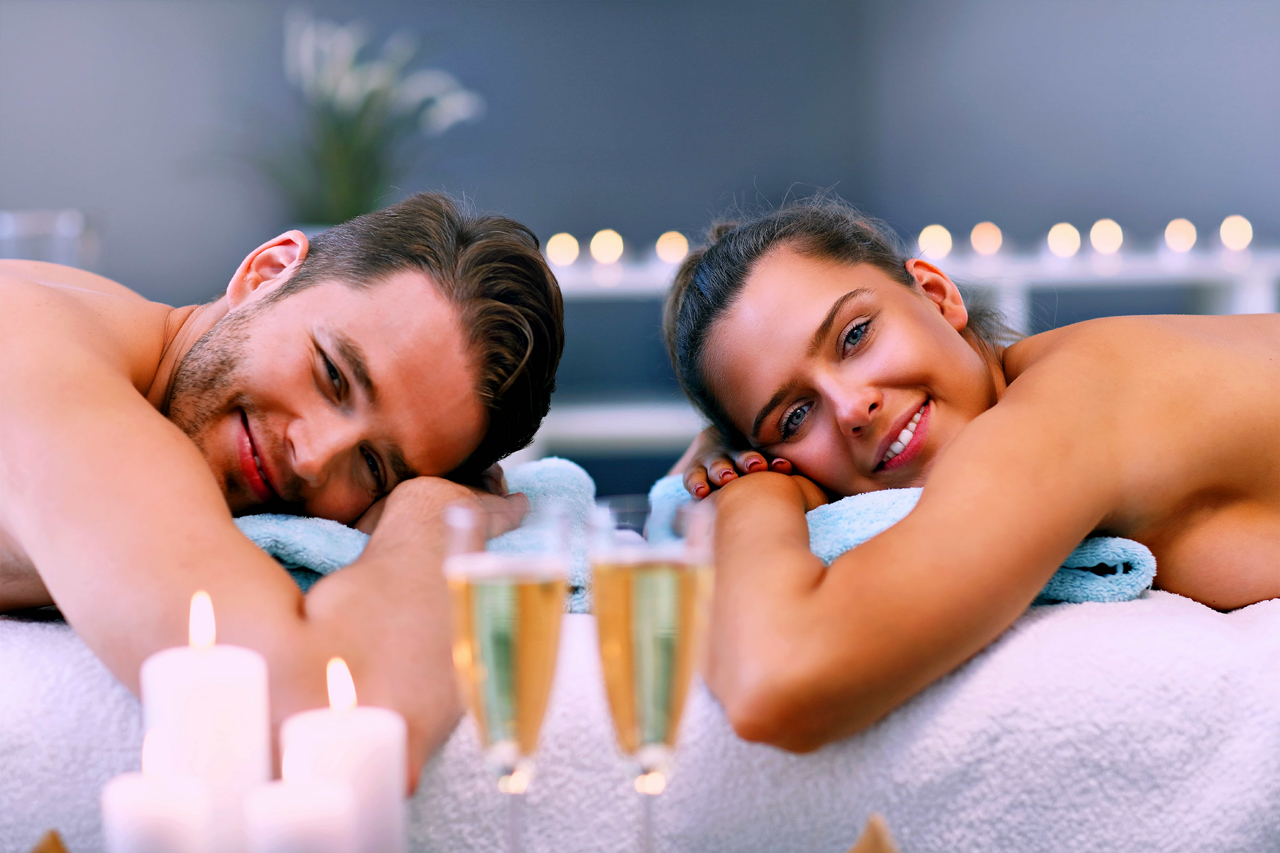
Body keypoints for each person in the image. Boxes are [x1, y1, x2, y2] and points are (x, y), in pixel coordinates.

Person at [664, 198, 1280, 753]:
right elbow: (669, 502)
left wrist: (750, 493)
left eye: (855, 336)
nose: (852, 409)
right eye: (795, 417)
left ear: (936, 294)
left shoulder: (1065, 407)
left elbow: (778, 679)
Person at [0, 192, 563, 787]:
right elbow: (317, 728)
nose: (315, 457)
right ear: (266, 271)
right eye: (334, 376)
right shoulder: (43, 363)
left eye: (373, 467)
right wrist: (436, 519)